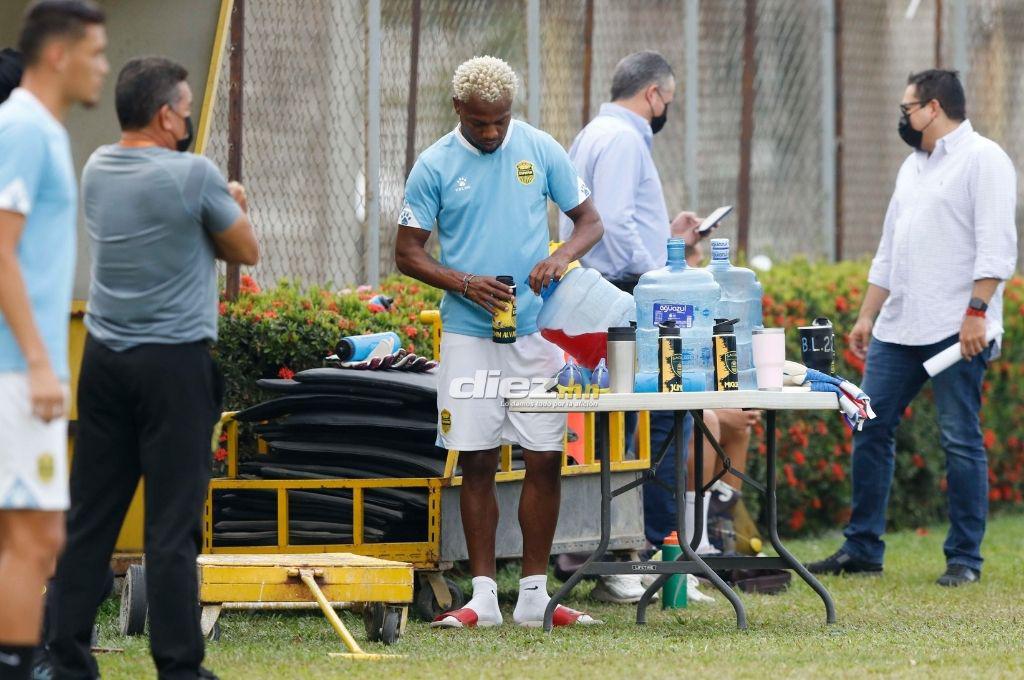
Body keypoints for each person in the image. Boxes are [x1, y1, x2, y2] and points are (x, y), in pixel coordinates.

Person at [45, 57, 258, 679]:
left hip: (105, 361)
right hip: (174, 367)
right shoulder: (196, 176)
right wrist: (233, 201)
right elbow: (243, 247)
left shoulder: (96, 169)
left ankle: (67, 660)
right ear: (167, 115)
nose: (189, 119)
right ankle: (178, 667)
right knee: (172, 525)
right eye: (187, 111)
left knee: (91, 518)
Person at [395, 56, 604, 628]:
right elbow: (407, 251)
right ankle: (484, 600)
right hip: (468, 336)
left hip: (537, 331)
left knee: (544, 457)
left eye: (500, 121)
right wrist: (465, 283)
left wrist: (560, 257)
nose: (491, 133)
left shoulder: (540, 148)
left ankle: (535, 599)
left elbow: (589, 221)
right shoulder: (433, 164)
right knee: (477, 458)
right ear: (458, 109)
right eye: (480, 122)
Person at [808, 69, 1017, 587]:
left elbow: (998, 247)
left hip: (956, 329)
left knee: (959, 438)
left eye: (908, 109)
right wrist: (866, 314)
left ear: (936, 107)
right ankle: (863, 549)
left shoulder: (984, 159)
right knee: (869, 425)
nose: (903, 118)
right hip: (899, 328)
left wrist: (976, 312)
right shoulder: (912, 166)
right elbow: (890, 247)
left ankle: (964, 558)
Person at [556, 51, 717, 603]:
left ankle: (628, 554)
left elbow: (617, 221)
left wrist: (667, 238)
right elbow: (617, 224)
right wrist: (659, 281)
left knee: (619, 427)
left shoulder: (593, 134)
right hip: (628, 295)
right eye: (666, 102)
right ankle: (645, 552)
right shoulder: (625, 139)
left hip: (604, 292)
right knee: (664, 419)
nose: (664, 111)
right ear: (653, 95)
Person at [0, 2, 107, 678]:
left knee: (31, 537)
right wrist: (39, 363)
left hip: (21, 370)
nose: (103, 67)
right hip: (16, 371)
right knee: (35, 539)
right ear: (59, 55)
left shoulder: (39, 129)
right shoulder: (24, 128)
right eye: (96, 53)